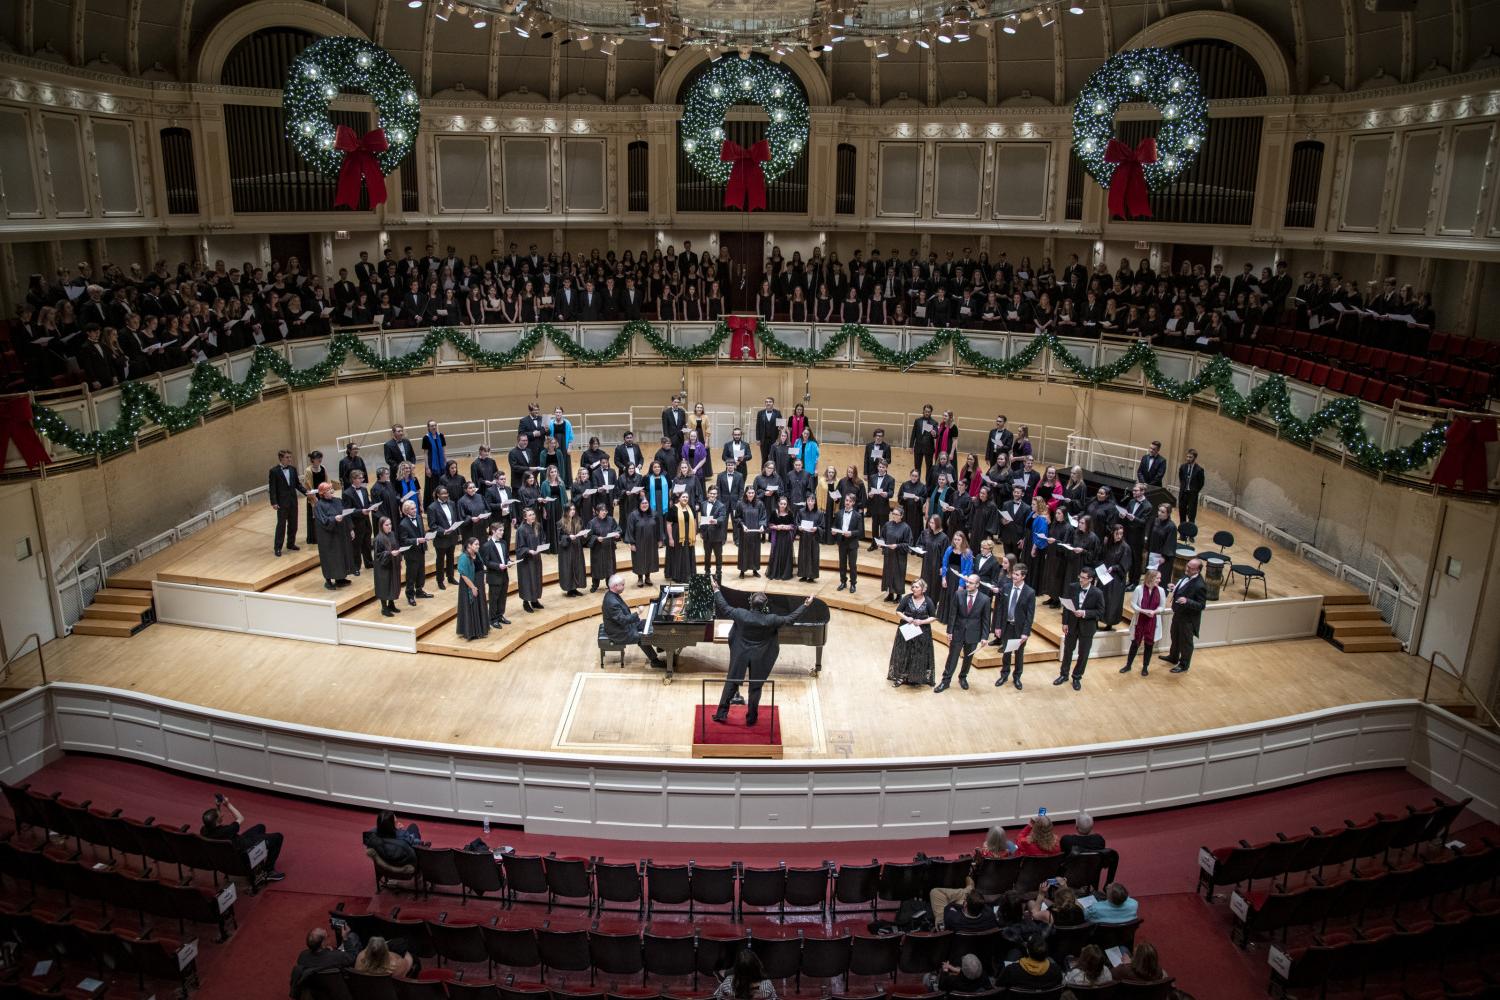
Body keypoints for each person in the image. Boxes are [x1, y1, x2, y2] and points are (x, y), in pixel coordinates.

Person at [710, 579, 813, 726]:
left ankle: (721, 714)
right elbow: (790, 619)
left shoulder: (741, 614)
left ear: (751, 603)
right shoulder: (771, 619)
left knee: (731, 682)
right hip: (760, 656)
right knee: (755, 687)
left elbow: (724, 607)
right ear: (765, 606)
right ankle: (751, 718)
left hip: (741, 653)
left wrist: (716, 590)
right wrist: (805, 605)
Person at [200, 793, 285, 881]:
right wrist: (227, 804)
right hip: (244, 850)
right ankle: (269, 871)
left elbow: (217, 819)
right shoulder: (228, 831)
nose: (222, 815)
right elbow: (240, 818)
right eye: (220, 815)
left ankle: (257, 863)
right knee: (278, 837)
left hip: (234, 847)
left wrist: (218, 806)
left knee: (260, 827)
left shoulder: (204, 831)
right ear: (218, 821)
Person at [936, 573, 989, 693]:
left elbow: (986, 620)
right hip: (958, 631)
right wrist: (950, 631)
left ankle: (963, 677)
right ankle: (945, 681)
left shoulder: (985, 599)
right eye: (967, 582)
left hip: (973, 634)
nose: (967, 584)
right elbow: (953, 614)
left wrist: (984, 637)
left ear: (977, 584)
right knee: (952, 657)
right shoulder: (959, 594)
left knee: (968, 658)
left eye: (970, 583)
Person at [601, 573, 665, 668]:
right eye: (622, 585)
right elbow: (622, 620)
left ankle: (660, 645)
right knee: (642, 637)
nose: (624, 586)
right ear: (615, 586)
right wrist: (638, 612)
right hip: (619, 632)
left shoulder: (612, 594)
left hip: (622, 625)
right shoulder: (612, 602)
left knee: (648, 623)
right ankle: (654, 661)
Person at [1055, 567, 1104, 691]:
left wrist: (1084, 613)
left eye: (1084, 578)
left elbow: (1101, 612)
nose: (1081, 579)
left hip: (1087, 627)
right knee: (1067, 651)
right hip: (1072, 624)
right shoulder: (1073, 587)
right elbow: (1066, 605)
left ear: (1091, 579)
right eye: (1080, 576)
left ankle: (1077, 677)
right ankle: (1063, 675)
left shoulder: (1097, 593)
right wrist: (1064, 622)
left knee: (1083, 654)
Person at [888, 578, 937, 688]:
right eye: (913, 586)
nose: (914, 589)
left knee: (918, 654)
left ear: (923, 589)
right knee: (903, 653)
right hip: (907, 630)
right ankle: (900, 677)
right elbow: (898, 611)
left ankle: (915, 677)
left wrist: (922, 621)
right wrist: (907, 618)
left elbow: (933, 617)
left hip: (922, 632)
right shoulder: (907, 598)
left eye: (917, 587)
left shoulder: (928, 601)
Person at [1163, 557, 1207, 673]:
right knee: (1175, 636)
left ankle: (1184, 664)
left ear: (1197, 570)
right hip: (1178, 614)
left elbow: (1201, 605)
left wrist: (1187, 601)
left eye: (1190, 568)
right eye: (1187, 566)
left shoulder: (1200, 585)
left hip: (1188, 619)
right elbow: (1183, 588)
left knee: (1185, 642)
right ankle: (1173, 657)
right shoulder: (1186, 575)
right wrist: (1175, 588)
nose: (1186, 569)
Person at [994, 564, 1034, 690]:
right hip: (1006, 626)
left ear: (1023, 576)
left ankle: (1017, 677)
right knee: (1006, 652)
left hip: (1020, 629)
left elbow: (1030, 615)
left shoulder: (1029, 592)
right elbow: (1000, 609)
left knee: (1019, 654)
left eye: (1017, 575)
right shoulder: (1006, 587)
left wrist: (1025, 632)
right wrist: (998, 626)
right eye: (1013, 574)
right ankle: (1004, 675)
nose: (1014, 577)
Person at [1120, 567, 1166, 676]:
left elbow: (1162, 606)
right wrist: (1142, 611)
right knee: (1135, 643)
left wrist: (1154, 612)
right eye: (1157, 578)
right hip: (1140, 619)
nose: (1159, 580)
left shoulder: (1161, 590)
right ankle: (1128, 665)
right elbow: (1133, 604)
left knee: (1149, 645)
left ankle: (1145, 667)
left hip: (1152, 620)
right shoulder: (1138, 589)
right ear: (1150, 578)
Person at [290, 926, 358, 998]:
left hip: (317, 990)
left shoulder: (302, 956)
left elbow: (321, 960)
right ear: (322, 944)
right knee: (354, 937)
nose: (328, 938)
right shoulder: (336, 957)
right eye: (327, 937)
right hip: (337, 990)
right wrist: (345, 938)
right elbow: (352, 957)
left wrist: (327, 951)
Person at [312, 482, 356, 590]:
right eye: (328, 490)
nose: (332, 491)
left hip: (340, 534)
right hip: (328, 537)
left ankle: (340, 578)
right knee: (330, 558)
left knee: (341, 556)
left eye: (331, 489)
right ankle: (328, 581)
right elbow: (322, 521)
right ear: (322, 493)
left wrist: (350, 529)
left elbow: (346, 515)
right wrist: (334, 519)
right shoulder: (319, 505)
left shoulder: (338, 501)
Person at [268, 449, 305, 557]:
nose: (289, 459)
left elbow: (297, 485)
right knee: (281, 525)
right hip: (282, 503)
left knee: (294, 524)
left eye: (290, 457)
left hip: (293, 501)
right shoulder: (274, 471)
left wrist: (306, 492)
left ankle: (291, 543)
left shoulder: (293, 469)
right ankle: (278, 547)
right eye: (287, 457)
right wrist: (274, 502)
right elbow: (272, 488)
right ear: (281, 458)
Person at [426, 486, 462, 589]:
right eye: (443, 494)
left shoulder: (452, 503)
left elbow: (455, 519)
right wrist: (443, 531)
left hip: (452, 536)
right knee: (440, 560)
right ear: (438, 495)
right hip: (441, 538)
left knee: (451, 558)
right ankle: (440, 580)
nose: (445, 495)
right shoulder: (432, 507)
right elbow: (432, 525)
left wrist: (458, 533)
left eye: (446, 493)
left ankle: (450, 577)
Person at [1098, 523, 1132, 630]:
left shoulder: (1125, 547)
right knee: (1100, 598)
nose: (1119, 536)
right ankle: (1097, 619)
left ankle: (1109, 623)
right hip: (1104, 575)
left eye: (1121, 534)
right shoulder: (1108, 543)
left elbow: (1124, 565)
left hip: (1116, 579)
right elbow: (1101, 556)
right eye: (1117, 533)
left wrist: (1114, 568)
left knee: (1112, 601)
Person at [996, 934, 1062, 989]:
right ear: (1046, 953)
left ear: (1027, 951)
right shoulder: (1056, 970)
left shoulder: (1011, 970)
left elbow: (999, 984)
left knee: (1013, 953)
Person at [342, 471, 378, 572]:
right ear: (353, 479)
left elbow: (366, 503)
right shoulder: (347, 493)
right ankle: (356, 567)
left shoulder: (364, 490)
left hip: (366, 521)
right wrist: (361, 512)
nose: (362, 480)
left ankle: (369, 563)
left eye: (362, 478)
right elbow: (347, 511)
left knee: (367, 543)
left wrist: (372, 507)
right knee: (356, 546)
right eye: (360, 478)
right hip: (356, 523)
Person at [396, 500, 430, 607]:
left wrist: (425, 538)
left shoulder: (419, 518)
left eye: (415, 507)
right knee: (411, 575)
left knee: (421, 572)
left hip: (420, 550)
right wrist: (416, 540)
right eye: (412, 509)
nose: (415, 510)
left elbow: (421, 532)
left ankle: (419, 590)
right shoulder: (403, 524)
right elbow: (403, 540)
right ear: (406, 511)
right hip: (411, 553)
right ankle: (410, 595)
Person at [455, 536, 489, 640]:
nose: (478, 546)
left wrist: (483, 580)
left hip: (479, 583)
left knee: (480, 604)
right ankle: (472, 631)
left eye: (478, 544)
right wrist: (473, 587)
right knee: (471, 606)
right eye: (476, 544)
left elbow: (481, 567)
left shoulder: (477, 554)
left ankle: (481, 629)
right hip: (469, 585)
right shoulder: (464, 558)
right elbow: (464, 575)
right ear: (469, 546)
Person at [479, 521, 511, 628]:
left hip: (504, 575)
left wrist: (509, 562)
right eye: (500, 530)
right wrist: (498, 566)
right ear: (493, 531)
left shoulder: (504, 543)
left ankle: (500, 615)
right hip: (494, 576)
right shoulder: (487, 545)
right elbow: (486, 562)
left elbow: (506, 557)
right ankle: (493, 619)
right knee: (494, 599)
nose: (502, 532)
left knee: (502, 597)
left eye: (503, 530)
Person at [877, 505, 912, 601]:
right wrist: (881, 542)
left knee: (898, 574)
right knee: (888, 573)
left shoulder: (906, 528)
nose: (894, 516)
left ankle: (899, 595)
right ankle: (890, 594)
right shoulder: (888, 524)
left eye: (897, 514)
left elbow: (908, 544)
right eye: (893, 514)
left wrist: (897, 546)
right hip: (889, 555)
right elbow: (882, 536)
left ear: (901, 516)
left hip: (899, 556)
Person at [514, 507, 546, 612]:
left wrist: (542, 546)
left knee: (536, 578)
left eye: (533, 514)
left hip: (536, 558)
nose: (532, 516)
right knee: (527, 580)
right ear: (525, 517)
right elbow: (519, 547)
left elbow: (542, 538)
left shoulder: (537, 526)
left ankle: (534, 600)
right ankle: (526, 602)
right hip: (526, 560)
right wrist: (528, 550)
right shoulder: (521, 530)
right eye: (530, 515)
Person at [624, 496, 661, 586]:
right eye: (643, 503)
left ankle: (648, 577)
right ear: (639, 504)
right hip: (638, 542)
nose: (645, 505)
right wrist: (632, 543)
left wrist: (659, 540)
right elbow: (630, 530)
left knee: (650, 558)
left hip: (651, 542)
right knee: (639, 560)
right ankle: (640, 578)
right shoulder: (633, 515)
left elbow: (659, 528)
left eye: (646, 503)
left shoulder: (654, 514)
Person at [830, 494, 864, 592]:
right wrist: (834, 531)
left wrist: (851, 533)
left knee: (852, 565)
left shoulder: (857, 515)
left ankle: (853, 584)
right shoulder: (839, 513)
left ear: (853, 503)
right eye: (846, 500)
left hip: (852, 543)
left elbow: (860, 531)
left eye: (849, 501)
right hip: (842, 542)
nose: (847, 502)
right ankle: (843, 582)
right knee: (842, 564)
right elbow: (835, 525)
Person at [371, 516, 402, 617]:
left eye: (390, 524)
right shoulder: (378, 539)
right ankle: (384, 608)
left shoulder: (392, 534)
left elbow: (396, 546)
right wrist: (389, 554)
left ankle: (391, 604)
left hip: (393, 564)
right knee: (385, 586)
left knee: (393, 584)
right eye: (386, 525)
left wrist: (398, 557)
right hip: (383, 568)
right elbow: (378, 555)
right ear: (381, 526)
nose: (389, 526)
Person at [665, 492, 698, 582]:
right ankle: (678, 576)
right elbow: (668, 524)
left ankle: (689, 575)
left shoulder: (690, 508)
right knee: (678, 555)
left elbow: (694, 521)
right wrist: (670, 538)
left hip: (689, 536)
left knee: (688, 554)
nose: (685, 498)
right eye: (683, 497)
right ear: (679, 498)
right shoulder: (673, 509)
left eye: (687, 497)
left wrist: (694, 534)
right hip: (677, 536)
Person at [556, 503, 588, 597]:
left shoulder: (578, 520)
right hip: (566, 549)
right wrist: (568, 537)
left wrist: (584, 535)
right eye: (570, 509)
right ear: (566, 511)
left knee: (577, 566)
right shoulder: (560, 523)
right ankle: (569, 589)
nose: (573, 511)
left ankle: (575, 588)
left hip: (577, 547)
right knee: (568, 567)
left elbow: (582, 534)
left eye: (574, 509)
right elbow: (559, 538)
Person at [587, 503, 620, 593]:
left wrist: (617, 534)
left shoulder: (611, 520)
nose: (604, 512)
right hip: (597, 550)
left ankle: (610, 584)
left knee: (609, 567)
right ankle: (595, 585)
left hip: (609, 548)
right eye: (602, 511)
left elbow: (617, 529)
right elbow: (589, 536)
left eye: (605, 510)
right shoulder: (592, 522)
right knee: (597, 567)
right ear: (597, 512)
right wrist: (596, 538)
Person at [699, 486, 728, 582]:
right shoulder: (703, 504)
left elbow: (723, 517)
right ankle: (707, 572)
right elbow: (703, 518)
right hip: (706, 535)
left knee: (718, 555)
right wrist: (701, 531)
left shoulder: (721, 505)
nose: (712, 495)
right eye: (711, 493)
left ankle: (718, 573)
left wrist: (716, 520)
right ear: (708, 494)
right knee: (707, 555)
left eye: (714, 494)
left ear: (717, 495)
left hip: (717, 535)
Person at [734, 485, 764, 577]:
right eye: (749, 493)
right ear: (746, 493)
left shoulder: (759, 504)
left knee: (755, 551)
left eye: (752, 493)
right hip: (745, 532)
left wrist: (762, 526)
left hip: (755, 532)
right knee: (744, 551)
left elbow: (763, 516)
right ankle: (742, 571)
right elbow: (737, 517)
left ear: (755, 494)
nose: (751, 494)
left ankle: (755, 570)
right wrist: (742, 525)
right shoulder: (740, 503)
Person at [927, 953, 991, 995]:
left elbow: (941, 985)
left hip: (944, 987)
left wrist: (945, 970)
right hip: (974, 991)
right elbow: (967, 973)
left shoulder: (953, 980)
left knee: (927, 977)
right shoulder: (984, 976)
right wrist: (952, 968)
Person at [420, 420, 447, 507]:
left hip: (441, 464)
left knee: (442, 481)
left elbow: (443, 450)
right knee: (432, 484)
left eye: (435, 425)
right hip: (432, 465)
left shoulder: (441, 436)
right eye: (431, 426)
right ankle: (433, 504)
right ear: (428, 427)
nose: (434, 427)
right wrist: (427, 468)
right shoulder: (426, 438)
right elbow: (425, 453)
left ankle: (444, 500)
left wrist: (445, 462)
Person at [1177, 447, 1205, 524]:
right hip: (1183, 494)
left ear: (1195, 458)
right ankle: (1182, 533)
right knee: (1182, 513)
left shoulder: (1199, 470)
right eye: (1187, 456)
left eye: (1190, 457)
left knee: (1191, 515)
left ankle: (1190, 533)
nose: (1188, 458)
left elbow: (1201, 483)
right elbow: (1181, 479)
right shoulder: (1183, 467)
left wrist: (1194, 490)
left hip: (1192, 495)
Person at [754, 396, 782, 467]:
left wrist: (779, 438)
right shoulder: (760, 413)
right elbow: (758, 426)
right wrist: (757, 439)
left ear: (773, 403)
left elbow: (781, 427)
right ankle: (763, 473)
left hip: (774, 440)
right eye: (766, 402)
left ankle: (773, 473)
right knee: (764, 457)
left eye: (770, 402)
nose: (768, 403)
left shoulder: (778, 413)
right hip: (763, 440)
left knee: (773, 457)